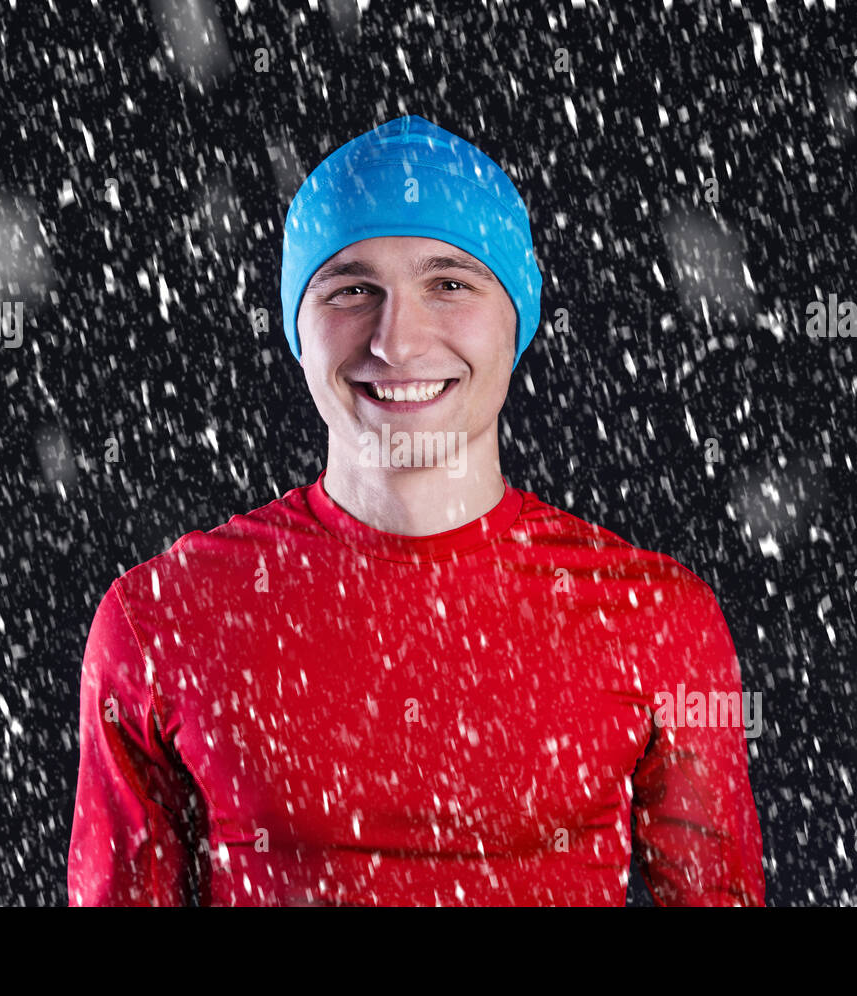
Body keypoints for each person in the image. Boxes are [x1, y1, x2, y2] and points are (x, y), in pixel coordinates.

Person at [67, 114, 765, 906]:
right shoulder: (160, 617)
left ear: (520, 316)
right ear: (299, 327)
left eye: (450, 283)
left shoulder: (659, 619)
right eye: (352, 289)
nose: (397, 342)